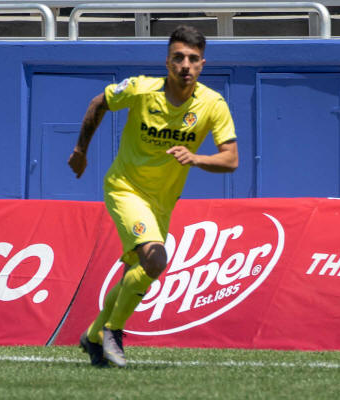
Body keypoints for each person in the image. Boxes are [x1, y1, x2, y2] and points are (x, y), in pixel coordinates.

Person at [68, 25, 238, 368]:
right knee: (156, 260)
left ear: (202, 64)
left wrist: (196, 158)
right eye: (178, 58)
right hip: (125, 188)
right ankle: (114, 331)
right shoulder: (141, 89)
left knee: (141, 270)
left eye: (193, 59)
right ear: (167, 62)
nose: (185, 65)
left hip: (162, 202)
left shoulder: (212, 104)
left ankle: (93, 336)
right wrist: (80, 150)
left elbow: (231, 159)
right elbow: (99, 102)